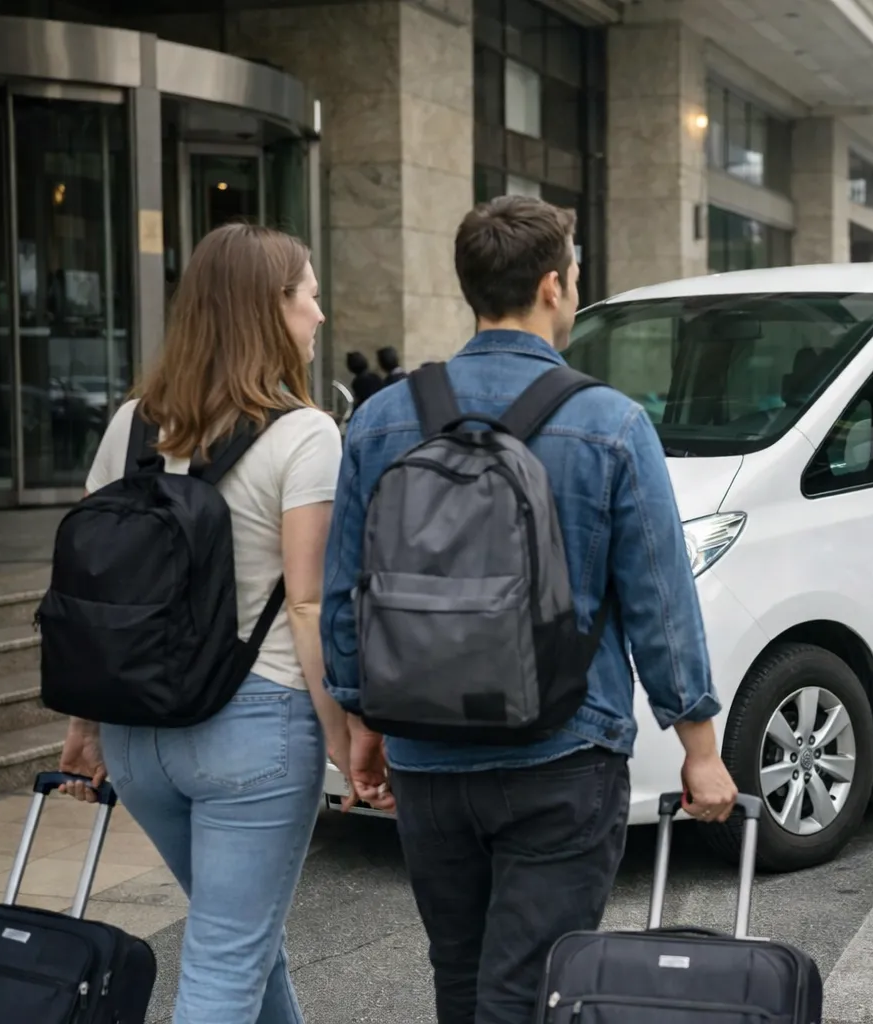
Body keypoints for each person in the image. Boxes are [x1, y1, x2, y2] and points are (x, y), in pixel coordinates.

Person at [319, 194, 739, 1024]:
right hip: (563, 751)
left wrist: (363, 725)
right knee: (533, 990)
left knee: (462, 980)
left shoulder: (378, 422)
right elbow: (660, 598)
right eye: (576, 275)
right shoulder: (610, 423)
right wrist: (700, 746)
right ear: (552, 286)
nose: (576, 289)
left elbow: (345, 598)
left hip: (426, 752)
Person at [56, 223, 353, 1024]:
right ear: (272, 307)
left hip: (138, 733)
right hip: (255, 729)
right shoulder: (306, 434)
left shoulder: (129, 426)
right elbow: (307, 603)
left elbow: (99, 592)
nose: (320, 316)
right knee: (225, 965)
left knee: (244, 943)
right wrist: (341, 731)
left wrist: (88, 725)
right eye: (311, 295)